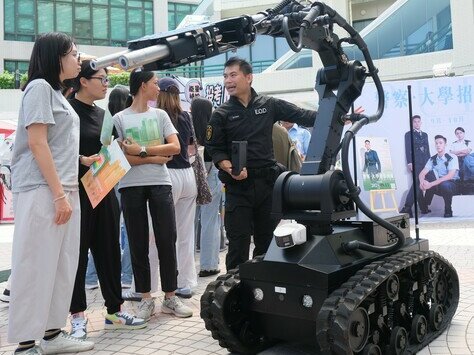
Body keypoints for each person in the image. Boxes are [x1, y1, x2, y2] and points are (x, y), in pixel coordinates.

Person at [8, 32, 94, 354]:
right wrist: (59, 195)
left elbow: (56, 144)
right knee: (36, 265)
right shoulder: (39, 88)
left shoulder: (57, 93)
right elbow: (37, 142)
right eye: (73, 53)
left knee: (62, 264)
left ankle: (53, 334)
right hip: (45, 191)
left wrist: (83, 161)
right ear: (55, 57)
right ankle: (27, 343)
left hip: (64, 189)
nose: (78, 59)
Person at [205, 57, 317, 271]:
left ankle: (263, 291)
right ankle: (236, 295)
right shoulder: (221, 114)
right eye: (225, 76)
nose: (228, 80)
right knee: (238, 245)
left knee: (266, 245)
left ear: (248, 77)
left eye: (233, 75)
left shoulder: (269, 105)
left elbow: (302, 115)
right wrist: (230, 168)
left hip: (268, 186)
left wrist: (337, 115)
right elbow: (214, 149)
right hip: (238, 187)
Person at [66, 61, 146, 339]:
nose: (105, 83)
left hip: (104, 191)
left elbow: (109, 151)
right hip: (77, 193)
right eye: (101, 78)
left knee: (110, 250)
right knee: (76, 256)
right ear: (83, 81)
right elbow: (57, 153)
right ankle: (77, 316)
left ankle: (115, 310)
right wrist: (80, 161)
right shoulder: (67, 112)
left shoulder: (104, 115)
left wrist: (120, 150)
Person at [113, 68, 193, 320]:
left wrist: (143, 150)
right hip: (130, 186)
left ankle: (170, 297)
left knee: (166, 238)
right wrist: (157, 157)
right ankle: (145, 297)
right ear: (142, 86)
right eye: (154, 83)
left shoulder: (160, 115)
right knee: (137, 242)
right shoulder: (118, 119)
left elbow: (176, 147)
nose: (158, 87)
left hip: (161, 182)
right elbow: (121, 158)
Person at [156, 77, 198, 297]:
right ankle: (186, 282)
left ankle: (153, 283)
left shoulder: (158, 117)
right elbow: (190, 146)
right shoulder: (185, 116)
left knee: (158, 234)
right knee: (185, 234)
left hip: (168, 174)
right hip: (188, 174)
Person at [191, 96, 223, 277]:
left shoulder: (187, 127)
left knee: (189, 222)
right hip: (211, 176)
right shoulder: (213, 127)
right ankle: (208, 265)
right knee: (210, 220)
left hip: (190, 176)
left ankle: (185, 266)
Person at [419, 135, 459, 218]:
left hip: (451, 185)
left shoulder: (452, 157)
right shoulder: (432, 159)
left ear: (445, 144)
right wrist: (422, 182)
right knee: (418, 181)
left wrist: (430, 184)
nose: (438, 145)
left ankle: (448, 209)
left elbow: (449, 176)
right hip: (437, 185)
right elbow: (422, 173)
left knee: (445, 184)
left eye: (440, 143)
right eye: (436, 143)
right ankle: (424, 207)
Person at [400, 115, 431, 217]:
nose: (417, 123)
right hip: (415, 162)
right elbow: (407, 148)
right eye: (415, 122)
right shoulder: (408, 134)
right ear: (412, 123)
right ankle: (407, 207)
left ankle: (423, 208)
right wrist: (410, 162)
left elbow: (428, 149)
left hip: (425, 162)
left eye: (418, 121)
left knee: (419, 183)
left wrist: (430, 162)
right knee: (418, 182)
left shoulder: (425, 134)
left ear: (421, 122)